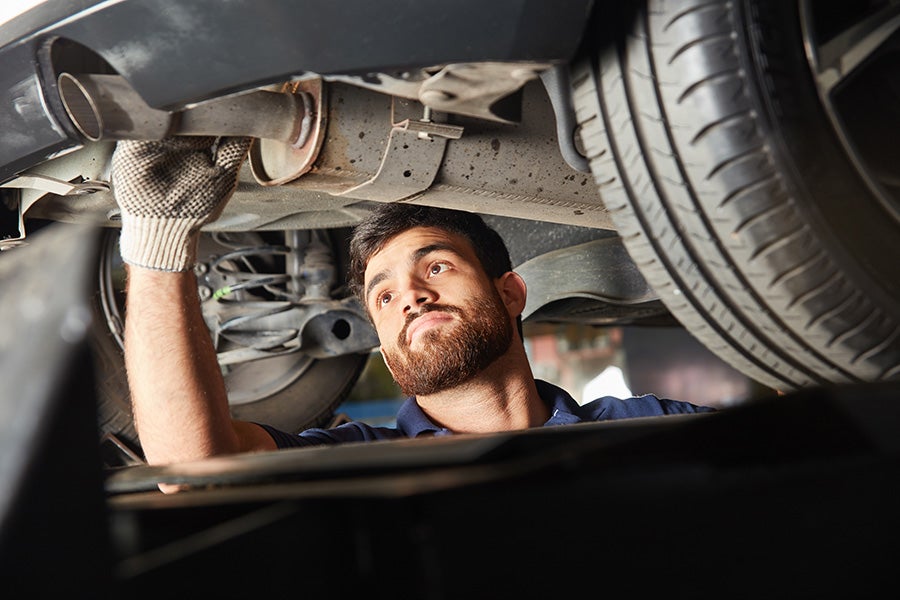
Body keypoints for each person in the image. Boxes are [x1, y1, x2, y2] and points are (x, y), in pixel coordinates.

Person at [111, 136, 714, 469]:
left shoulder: (648, 428)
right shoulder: (352, 466)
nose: (413, 298)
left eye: (437, 266)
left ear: (510, 293)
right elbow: (191, 471)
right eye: (385, 294)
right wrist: (156, 234)